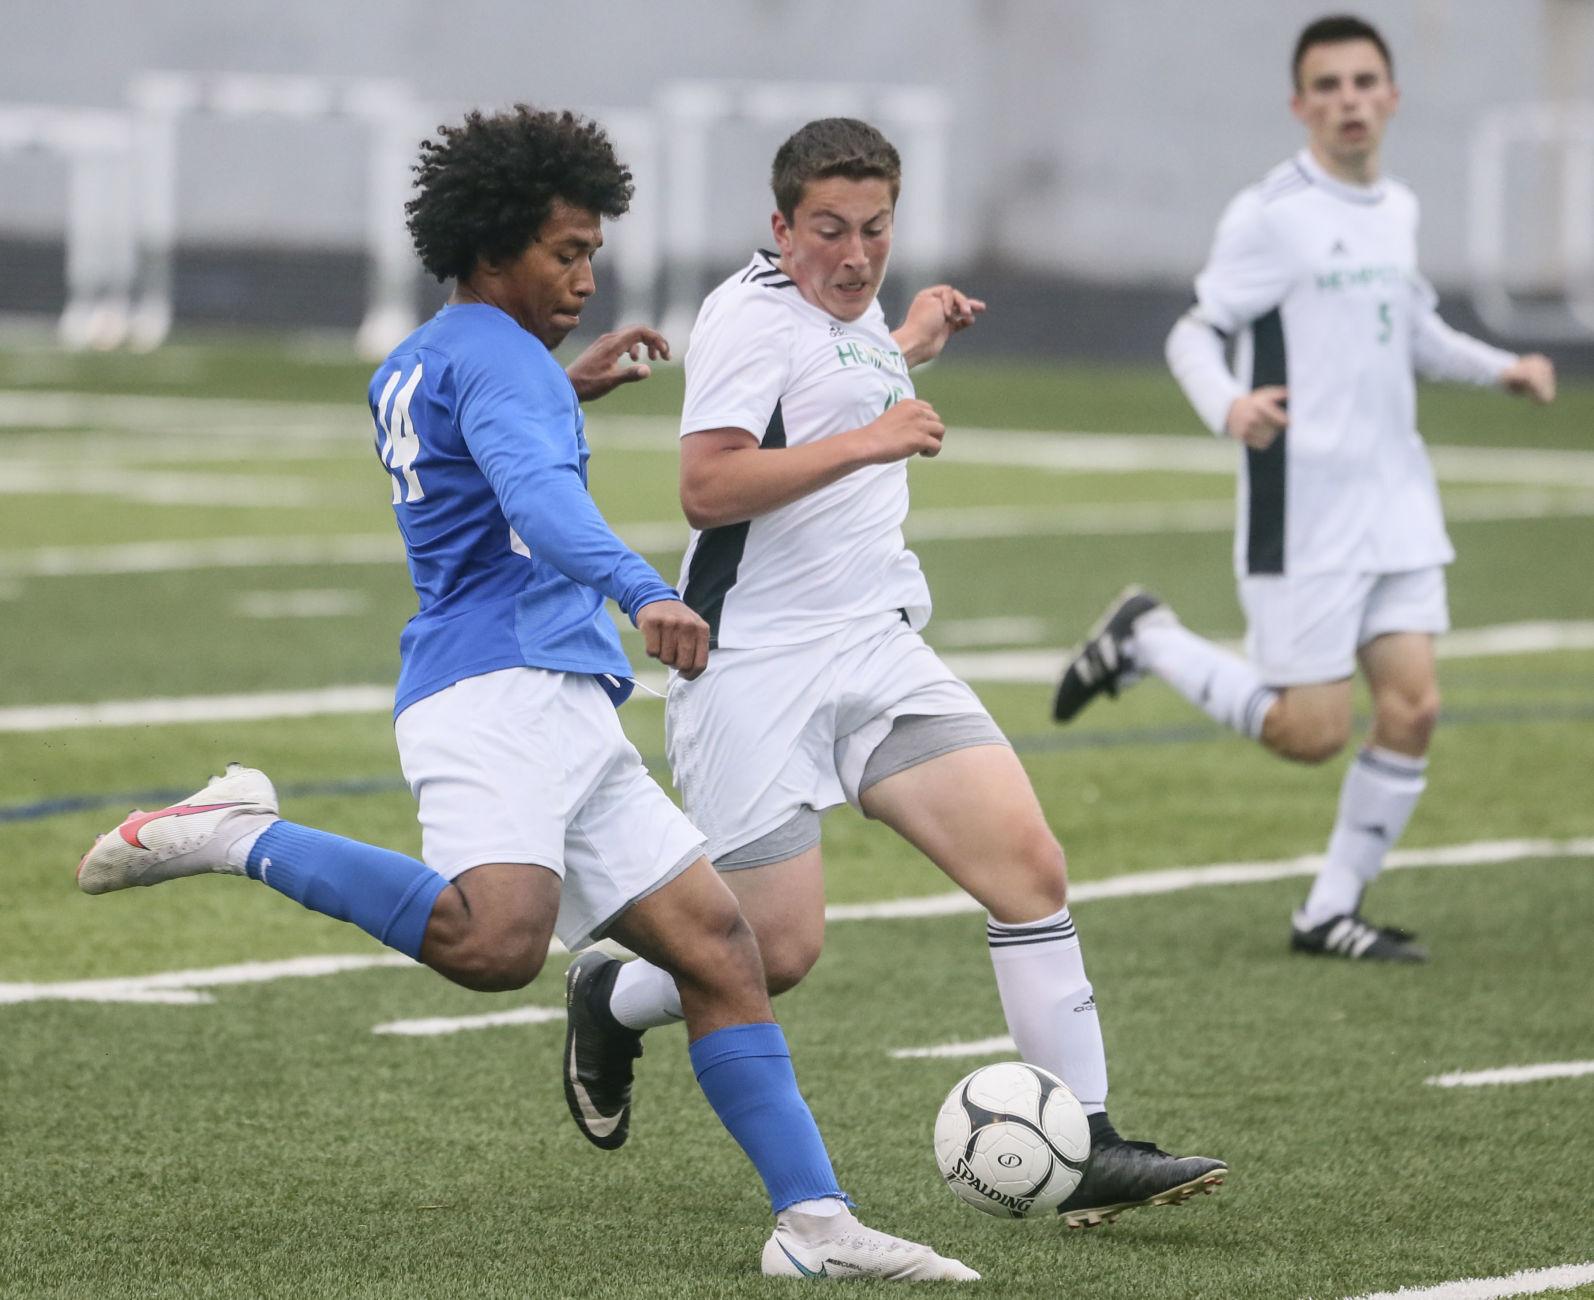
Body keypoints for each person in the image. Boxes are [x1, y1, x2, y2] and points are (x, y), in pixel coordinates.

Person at [74, 105, 976, 1284]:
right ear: (495, 247)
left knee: (720, 948)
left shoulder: (429, 355)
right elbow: (539, 507)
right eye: (567, 254)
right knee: (493, 944)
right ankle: (242, 832)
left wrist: (564, 389)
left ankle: (814, 1223)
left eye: (593, 253)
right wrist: (644, 588)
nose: (588, 277)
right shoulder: (502, 368)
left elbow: (478, 451)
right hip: (494, 687)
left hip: (555, 692)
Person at [557, 116, 1227, 1230]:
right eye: (828, 230)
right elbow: (709, 489)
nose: (856, 255)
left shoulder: (856, 309)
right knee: (776, 950)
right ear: (780, 227)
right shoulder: (742, 317)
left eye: (875, 229)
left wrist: (905, 337)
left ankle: (1090, 1146)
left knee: (1028, 867)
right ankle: (614, 994)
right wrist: (873, 438)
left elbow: (841, 372)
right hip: (753, 667)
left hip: (875, 647)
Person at [1051, 15, 1558, 962]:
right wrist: (1229, 405)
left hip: (1397, 500)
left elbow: (1412, 328)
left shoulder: (1396, 207)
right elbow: (1192, 332)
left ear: (1393, 96)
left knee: (1413, 708)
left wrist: (1503, 369)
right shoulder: (1270, 215)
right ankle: (1148, 636)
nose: (1348, 100)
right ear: (1300, 105)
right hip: (1306, 512)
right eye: (1327, 86)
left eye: (1365, 82)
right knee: (1309, 732)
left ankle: (1329, 910)